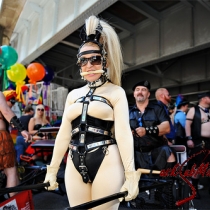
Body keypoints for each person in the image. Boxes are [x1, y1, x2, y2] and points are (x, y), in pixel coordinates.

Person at [44, 15, 140, 209]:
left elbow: (123, 133)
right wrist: (52, 170)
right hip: (73, 162)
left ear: (105, 60)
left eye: (95, 59)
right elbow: (64, 133)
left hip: (107, 160)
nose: (89, 65)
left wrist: (131, 175)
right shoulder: (73, 94)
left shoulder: (116, 92)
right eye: (83, 60)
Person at [129, 81, 176, 171]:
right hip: (136, 154)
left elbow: (166, 127)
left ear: (148, 94)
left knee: (168, 152)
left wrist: (146, 131)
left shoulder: (157, 108)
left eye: (143, 90)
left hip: (157, 152)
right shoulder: (128, 112)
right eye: (137, 90)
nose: (140, 92)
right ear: (134, 94)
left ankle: (169, 182)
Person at [1, 90, 30, 197]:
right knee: (11, 171)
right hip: (1, 138)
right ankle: (12, 205)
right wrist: (22, 129)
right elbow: (6, 111)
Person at [185, 91, 210, 199]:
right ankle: (193, 189)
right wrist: (189, 138)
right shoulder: (194, 110)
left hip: (209, 142)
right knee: (198, 167)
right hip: (200, 142)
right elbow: (187, 124)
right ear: (204, 99)